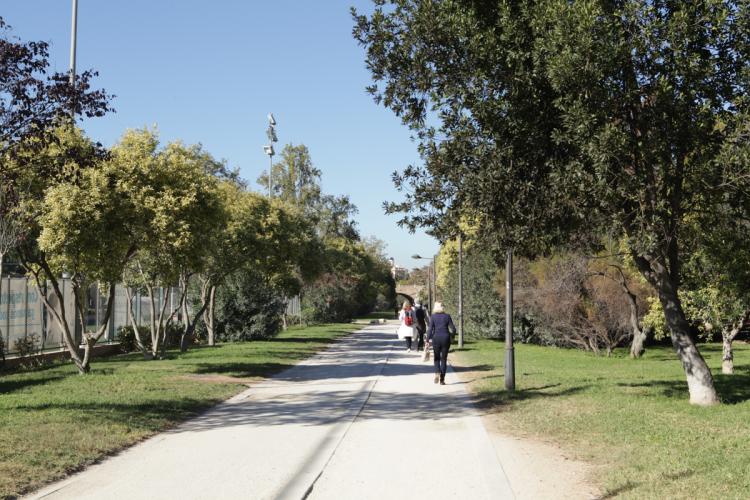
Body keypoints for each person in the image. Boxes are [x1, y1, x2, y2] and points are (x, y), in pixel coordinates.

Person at [427, 301, 456, 385]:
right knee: (443, 359)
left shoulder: (433, 317)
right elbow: (453, 329)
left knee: (436, 358)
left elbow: (430, 329)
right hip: (445, 338)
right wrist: (452, 336)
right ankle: (442, 379)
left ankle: (437, 372)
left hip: (436, 338)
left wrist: (427, 340)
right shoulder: (447, 316)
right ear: (443, 307)